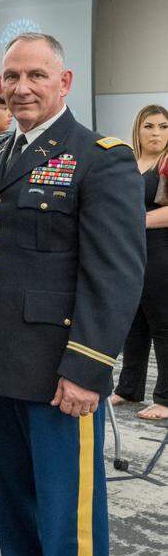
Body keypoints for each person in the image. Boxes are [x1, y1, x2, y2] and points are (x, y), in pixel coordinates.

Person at [0, 32, 145, 556]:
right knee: (15, 507)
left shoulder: (101, 158)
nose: (21, 88)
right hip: (1, 367)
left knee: (68, 515)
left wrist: (87, 368)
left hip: (60, 372)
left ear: (64, 82)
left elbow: (114, 274)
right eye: (12, 77)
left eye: (36, 76)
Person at [112, 104, 168, 420]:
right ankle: (129, 388)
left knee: (163, 325)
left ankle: (165, 398)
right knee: (133, 324)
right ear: (138, 129)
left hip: (161, 253)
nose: (156, 133)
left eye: (163, 126)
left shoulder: (167, 163)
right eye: (149, 126)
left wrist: (135, 220)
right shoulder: (128, 162)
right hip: (129, 253)